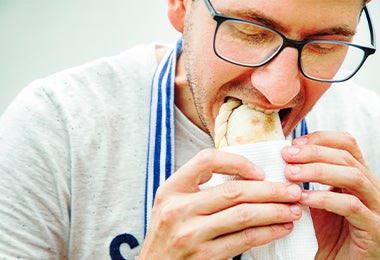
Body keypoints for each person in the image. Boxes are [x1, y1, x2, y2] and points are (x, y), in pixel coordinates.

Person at [1, 0, 380, 259]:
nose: (280, 90)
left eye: (326, 44)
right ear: (181, 5)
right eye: (250, 31)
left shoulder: (369, 130)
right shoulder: (55, 127)